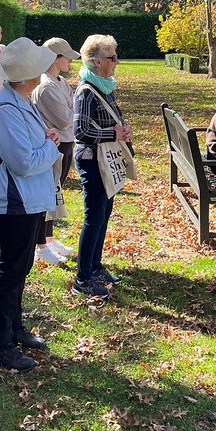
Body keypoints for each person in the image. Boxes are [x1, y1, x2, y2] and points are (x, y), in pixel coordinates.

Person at [0, 37, 61, 372]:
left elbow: (33, 147)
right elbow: (25, 162)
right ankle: (0, 347)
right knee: (10, 272)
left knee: (20, 269)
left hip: (28, 199)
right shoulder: (5, 109)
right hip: (15, 201)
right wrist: (52, 147)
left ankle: (15, 330)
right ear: (30, 73)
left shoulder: (21, 100)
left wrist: (47, 141)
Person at [72, 34, 133, 298]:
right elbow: (81, 130)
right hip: (91, 160)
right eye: (112, 57)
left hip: (104, 160)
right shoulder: (87, 90)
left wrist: (123, 129)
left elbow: (110, 120)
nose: (116, 62)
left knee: (103, 214)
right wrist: (114, 135)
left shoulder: (104, 86)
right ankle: (82, 279)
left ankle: (95, 267)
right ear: (97, 62)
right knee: (93, 217)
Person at [31, 37, 81, 264]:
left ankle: (48, 239)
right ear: (55, 58)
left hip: (66, 142)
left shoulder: (60, 82)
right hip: (54, 145)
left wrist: (72, 113)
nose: (70, 60)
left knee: (54, 193)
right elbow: (66, 118)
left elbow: (73, 113)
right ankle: (40, 245)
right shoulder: (46, 86)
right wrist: (73, 114)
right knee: (46, 195)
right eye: (66, 56)